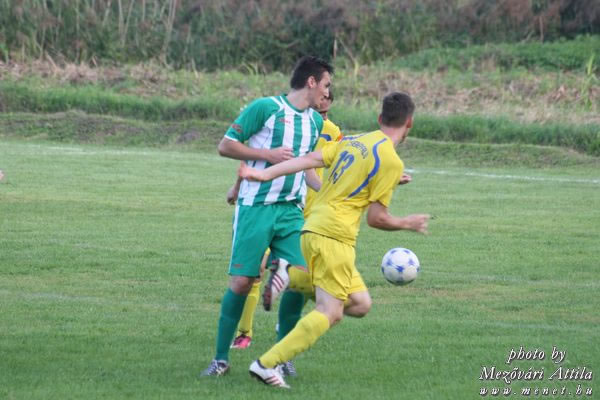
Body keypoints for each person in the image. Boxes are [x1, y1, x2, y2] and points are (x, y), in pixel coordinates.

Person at [239, 92, 430, 388]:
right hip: (335, 238)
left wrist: (265, 175)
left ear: (380, 118)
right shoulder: (391, 160)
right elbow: (377, 218)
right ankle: (266, 364)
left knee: (361, 304)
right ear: (410, 123)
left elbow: (309, 160)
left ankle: (290, 275)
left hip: (312, 227)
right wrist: (408, 222)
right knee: (330, 312)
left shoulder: (353, 141)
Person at [200, 55, 333, 377]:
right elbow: (226, 146)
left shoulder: (314, 122)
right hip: (256, 207)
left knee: (301, 279)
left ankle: (282, 356)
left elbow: (305, 168)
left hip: (291, 210)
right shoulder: (266, 107)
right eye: (326, 84)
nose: (328, 92)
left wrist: (332, 192)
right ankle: (220, 359)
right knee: (243, 281)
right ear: (311, 82)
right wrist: (265, 156)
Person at [227, 90, 344, 353]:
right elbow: (252, 161)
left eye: (325, 111)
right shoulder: (289, 123)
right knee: (255, 271)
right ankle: (244, 333)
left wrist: (332, 194)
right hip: (271, 206)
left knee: (302, 278)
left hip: (308, 216)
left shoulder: (332, 132)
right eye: (319, 110)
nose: (321, 115)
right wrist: (237, 187)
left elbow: (332, 167)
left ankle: (285, 327)